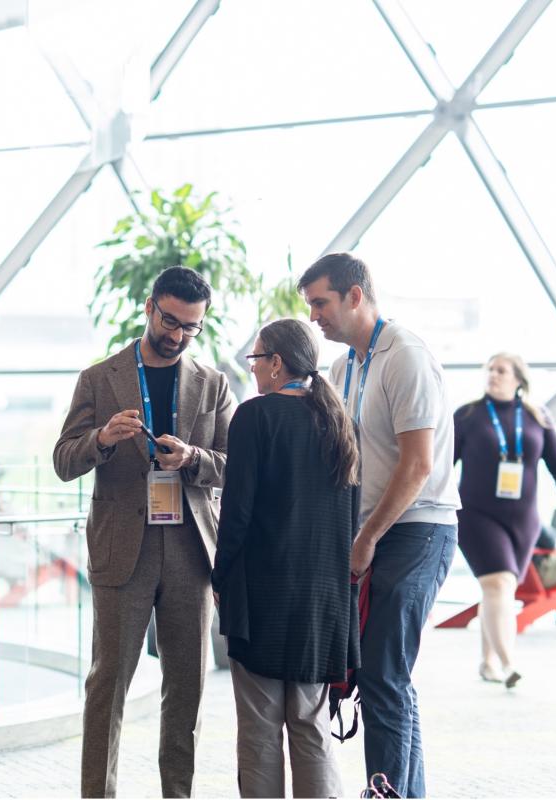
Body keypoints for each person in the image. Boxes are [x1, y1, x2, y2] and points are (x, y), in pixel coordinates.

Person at [53, 266, 236, 798]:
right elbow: (64, 460)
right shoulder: (98, 378)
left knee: (188, 689)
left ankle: (177, 793)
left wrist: (194, 458)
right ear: (150, 308)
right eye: (171, 321)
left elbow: (235, 464)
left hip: (190, 551)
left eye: (191, 327)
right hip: (121, 552)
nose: (178, 335)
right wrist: (102, 439)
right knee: (107, 683)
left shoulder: (214, 383)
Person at [299, 252, 460, 799]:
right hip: (370, 531)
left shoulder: (404, 356)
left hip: (418, 530)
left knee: (384, 674)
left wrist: (365, 540)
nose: (314, 316)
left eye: (320, 302)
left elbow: (418, 466)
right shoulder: (346, 367)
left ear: (354, 296)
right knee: (381, 678)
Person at [211, 318, 360, 798]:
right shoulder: (338, 420)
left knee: (259, 729)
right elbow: (348, 518)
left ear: (276, 363)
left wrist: (221, 577)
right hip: (321, 600)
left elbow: (237, 514)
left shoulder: (256, 416)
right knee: (311, 725)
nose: (252, 370)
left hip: (263, 595)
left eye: (256, 360)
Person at [452, 353, 556, 686]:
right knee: (498, 584)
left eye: (501, 370)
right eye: (489, 369)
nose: (493, 375)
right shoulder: (468, 415)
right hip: (477, 516)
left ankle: (487, 662)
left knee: (498, 591)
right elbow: (443, 464)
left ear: (518, 379)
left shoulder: (538, 416)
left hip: (523, 521)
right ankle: (508, 662)